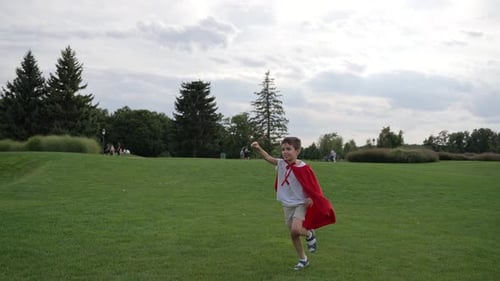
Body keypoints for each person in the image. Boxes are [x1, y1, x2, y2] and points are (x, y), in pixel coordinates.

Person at [251, 137, 336, 271]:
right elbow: (267, 157)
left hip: (300, 203)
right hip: (287, 204)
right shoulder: (281, 164)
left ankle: (309, 235)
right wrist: (258, 148)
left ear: (297, 151)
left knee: (296, 229)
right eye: (283, 149)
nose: (285, 152)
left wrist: (311, 197)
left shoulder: (304, 168)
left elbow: (313, 185)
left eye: (289, 149)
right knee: (293, 233)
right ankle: (303, 259)